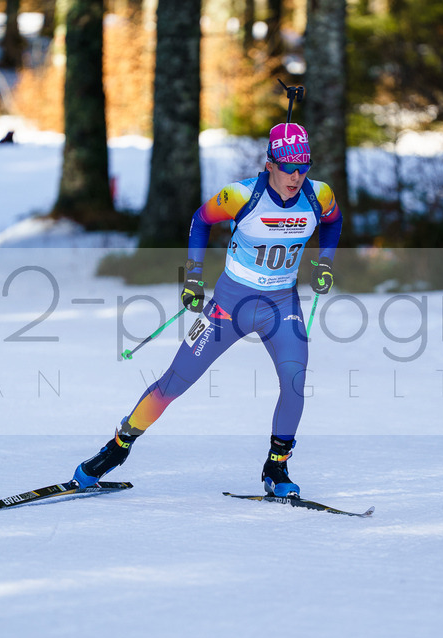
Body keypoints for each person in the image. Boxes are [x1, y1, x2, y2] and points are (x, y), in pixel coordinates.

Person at [73, 122, 342, 497]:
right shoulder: (240, 196)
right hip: (230, 304)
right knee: (176, 381)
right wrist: (193, 277)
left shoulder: (319, 194)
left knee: (294, 382)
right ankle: (116, 449)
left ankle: (277, 467)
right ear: (270, 164)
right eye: (288, 167)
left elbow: (333, 221)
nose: (296, 177)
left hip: (282, 305)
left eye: (303, 167)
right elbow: (200, 220)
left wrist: (325, 262)